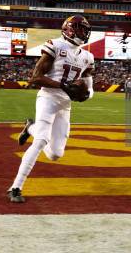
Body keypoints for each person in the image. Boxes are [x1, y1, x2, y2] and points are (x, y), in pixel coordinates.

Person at [8, 15, 94, 203]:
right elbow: (35, 77)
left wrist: (87, 94)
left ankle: (30, 127)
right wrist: (63, 86)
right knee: (41, 141)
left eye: (85, 30)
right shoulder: (55, 46)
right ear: (69, 29)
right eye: (81, 28)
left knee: (55, 154)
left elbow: (89, 83)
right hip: (48, 98)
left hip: (65, 104)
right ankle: (16, 187)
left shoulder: (88, 57)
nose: (84, 33)